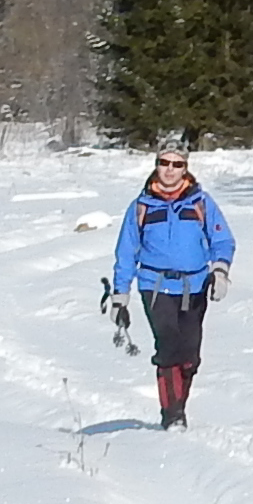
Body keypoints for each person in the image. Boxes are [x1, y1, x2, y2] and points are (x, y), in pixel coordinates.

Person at [105, 137, 234, 430]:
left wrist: (220, 271)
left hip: (196, 286)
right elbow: (126, 252)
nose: (170, 170)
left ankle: (178, 406)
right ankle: (172, 416)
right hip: (155, 286)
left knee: (190, 354)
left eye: (177, 164)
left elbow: (222, 239)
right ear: (156, 165)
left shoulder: (201, 202)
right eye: (165, 163)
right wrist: (119, 296)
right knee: (168, 346)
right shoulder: (141, 206)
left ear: (185, 169)